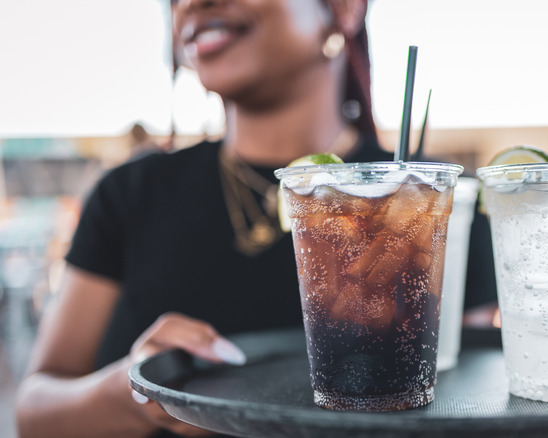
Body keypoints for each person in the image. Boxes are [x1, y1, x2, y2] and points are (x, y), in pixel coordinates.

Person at [14, 1, 497, 437]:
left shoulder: (425, 203)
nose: (194, 4)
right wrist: (133, 391)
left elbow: (471, 398)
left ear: (344, 8)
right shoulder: (129, 194)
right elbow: (34, 410)